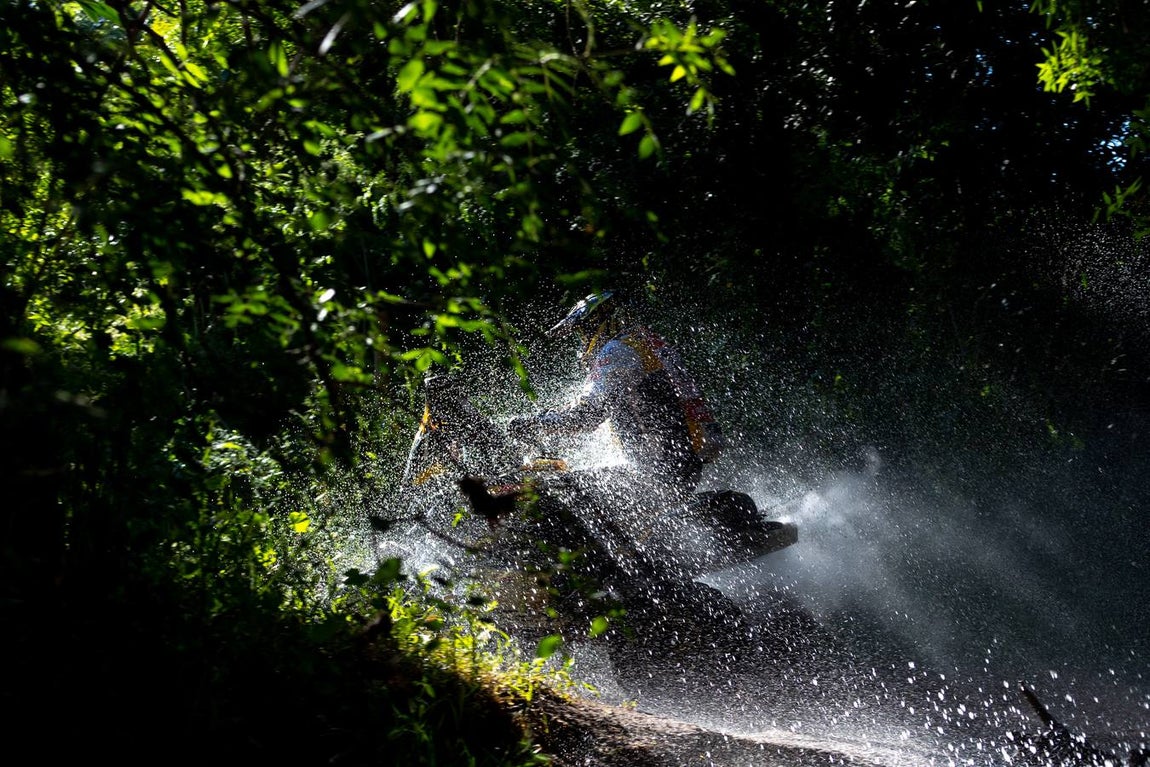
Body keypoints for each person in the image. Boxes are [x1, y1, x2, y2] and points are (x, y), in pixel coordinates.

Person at [508, 291, 724, 497]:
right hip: (681, 462)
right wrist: (551, 419)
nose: (583, 342)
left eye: (583, 332)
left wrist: (535, 423)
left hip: (657, 470)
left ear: (600, 323)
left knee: (553, 488)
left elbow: (586, 417)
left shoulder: (617, 349)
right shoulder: (647, 342)